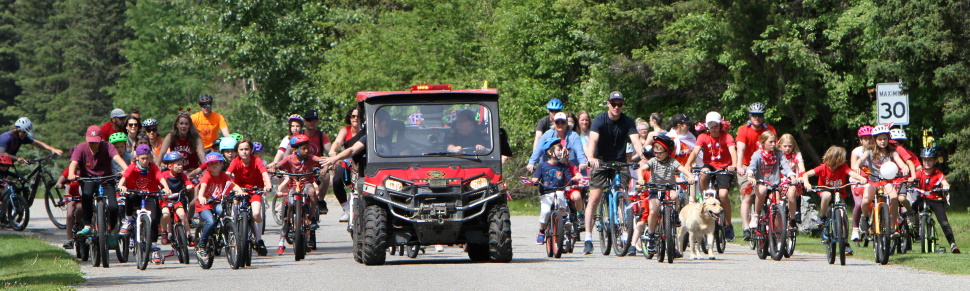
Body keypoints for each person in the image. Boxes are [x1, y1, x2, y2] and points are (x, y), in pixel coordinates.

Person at [581, 91, 646, 254]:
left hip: (619, 161)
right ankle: (588, 238)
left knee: (621, 193)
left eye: (620, 104)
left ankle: (624, 233)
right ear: (608, 104)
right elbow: (593, 140)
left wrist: (643, 156)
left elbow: (636, 141)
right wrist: (590, 157)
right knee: (595, 197)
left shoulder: (628, 121)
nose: (617, 107)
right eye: (614, 104)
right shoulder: (600, 120)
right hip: (600, 160)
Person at [800, 145, 867, 256]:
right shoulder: (822, 168)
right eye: (834, 163)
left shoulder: (844, 167)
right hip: (825, 191)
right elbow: (806, 174)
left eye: (837, 164)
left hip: (838, 193)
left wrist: (861, 178)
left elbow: (852, 173)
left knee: (842, 216)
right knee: (826, 196)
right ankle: (823, 218)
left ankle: (845, 244)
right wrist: (807, 183)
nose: (835, 166)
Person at [634, 135, 694, 254]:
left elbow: (682, 169)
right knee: (653, 210)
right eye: (655, 151)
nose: (657, 154)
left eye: (660, 152)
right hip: (655, 188)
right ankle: (651, 237)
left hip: (668, 187)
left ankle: (675, 215)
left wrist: (690, 176)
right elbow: (641, 169)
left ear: (668, 152)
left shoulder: (673, 162)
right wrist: (641, 178)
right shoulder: (653, 161)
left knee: (675, 196)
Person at [685, 111, 738, 241]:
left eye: (716, 125)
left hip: (724, 167)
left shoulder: (727, 137)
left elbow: (733, 151)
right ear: (707, 126)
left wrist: (734, 165)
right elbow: (696, 151)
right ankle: (705, 197)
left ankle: (728, 225)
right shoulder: (703, 136)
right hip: (709, 164)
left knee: (723, 195)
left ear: (720, 125)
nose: (713, 128)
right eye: (711, 126)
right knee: (703, 173)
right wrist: (687, 164)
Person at [68, 126, 129, 237]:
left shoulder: (107, 146)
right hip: (88, 179)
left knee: (114, 206)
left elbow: (116, 157)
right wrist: (71, 173)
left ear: (100, 139)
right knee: (87, 196)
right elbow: (74, 162)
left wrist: (126, 169)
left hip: (107, 179)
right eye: (90, 142)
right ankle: (87, 225)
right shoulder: (81, 148)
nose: (93, 145)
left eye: (95, 142)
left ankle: (111, 230)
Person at [118, 144, 173, 264]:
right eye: (142, 158)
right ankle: (128, 220)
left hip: (150, 195)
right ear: (137, 157)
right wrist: (121, 185)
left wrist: (166, 187)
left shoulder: (153, 167)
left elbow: (160, 177)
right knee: (129, 196)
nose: (145, 161)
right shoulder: (132, 167)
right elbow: (125, 176)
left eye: (147, 158)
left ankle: (153, 246)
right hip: (136, 194)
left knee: (153, 219)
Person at [272, 134, 325, 255]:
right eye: (304, 148)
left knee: (312, 192)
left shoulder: (311, 158)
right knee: (288, 202)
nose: (307, 150)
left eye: (308, 148)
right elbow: (278, 165)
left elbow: (322, 160)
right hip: (293, 186)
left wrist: (325, 167)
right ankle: (288, 220)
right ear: (295, 149)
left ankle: (311, 218)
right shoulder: (289, 159)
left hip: (306, 184)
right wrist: (273, 168)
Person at [735, 103, 776, 240]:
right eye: (754, 115)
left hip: (766, 165)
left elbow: (774, 147)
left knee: (772, 195)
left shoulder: (769, 130)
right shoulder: (743, 130)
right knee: (748, 196)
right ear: (750, 116)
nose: (757, 118)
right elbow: (740, 149)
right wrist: (739, 166)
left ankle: (773, 226)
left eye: (760, 115)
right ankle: (746, 228)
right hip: (747, 166)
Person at [860, 124, 908, 236]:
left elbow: (899, 161)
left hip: (886, 181)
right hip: (873, 181)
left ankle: (891, 227)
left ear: (888, 139)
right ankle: (865, 218)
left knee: (895, 197)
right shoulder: (869, 152)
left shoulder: (892, 152)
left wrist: (904, 167)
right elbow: (860, 160)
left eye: (885, 139)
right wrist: (858, 166)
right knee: (866, 201)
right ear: (875, 140)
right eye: (880, 139)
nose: (882, 141)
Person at [226, 139, 272, 255]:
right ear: (237, 151)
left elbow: (264, 173)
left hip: (255, 190)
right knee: (234, 207)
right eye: (241, 149)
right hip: (240, 190)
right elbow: (227, 174)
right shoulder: (236, 161)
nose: (244, 152)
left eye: (246, 149)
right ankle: (234, 230)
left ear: (251, 150)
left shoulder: (256, 160)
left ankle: (259, 239)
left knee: (256, 213)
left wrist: (268, 184)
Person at [195, 152, 245, 258]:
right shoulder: (207, 175)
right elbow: (203, 186)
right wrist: (201, 197)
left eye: (216, 163)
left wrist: (240, 191)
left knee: (224, 213)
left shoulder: (224, 176)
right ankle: (202, 244)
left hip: (216, 202)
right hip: (204, 204)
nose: (214, 165)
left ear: (221, 164)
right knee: (210, 221)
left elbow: (232, 185)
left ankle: (224, 232)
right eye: (211, 163)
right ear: (207, 166)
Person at [745, 131, 795, 231]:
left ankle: (777, 234)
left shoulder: (778, 154)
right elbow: (751, 167)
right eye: (770, 142)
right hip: (761, 183)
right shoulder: (757, 155)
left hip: (774, 185)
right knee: (762, 190)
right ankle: (755, 215)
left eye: (774, 141)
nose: (773, 144)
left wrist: (792, 177)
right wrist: (750, 176)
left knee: (777, 204)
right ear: (763, 143)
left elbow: (786, 167)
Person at [911, 148, 959, 254]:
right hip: (922, 198)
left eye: (930, 160)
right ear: (922, 161)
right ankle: (910, 233)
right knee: (909, 212)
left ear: (934, 161)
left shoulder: (938, 173)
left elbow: (944, 182)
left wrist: (946, 186)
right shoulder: (919, 172)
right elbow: (913, 180)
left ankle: (953, 244)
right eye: (925, 160)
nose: (927, 162)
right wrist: (911, 184)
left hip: (935, 199)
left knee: (944, 222)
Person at [532, 138, 578, 244]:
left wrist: (573, 179)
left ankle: (564, 217)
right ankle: (541, 231)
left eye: (560, 150)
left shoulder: (563, 166)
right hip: (546, 193)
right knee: (546, 211)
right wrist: (535, 180)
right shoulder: (543, 165)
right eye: (558, 150)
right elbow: (536, 177)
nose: (560, 152)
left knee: (560, 195)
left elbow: (568, 176)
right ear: (549, 152)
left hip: (558, 191)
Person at [328, 107, 360, 222]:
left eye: (357, 116)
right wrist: (333, 152)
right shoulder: (345, 130)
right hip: (346, 163)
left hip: (361, 163)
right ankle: (346, 208)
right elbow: (337, 142)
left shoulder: (365, 130)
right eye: (353, 116)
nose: (355, 118)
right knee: (336, 180)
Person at [158, 152, 194, 249]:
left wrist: (189, 186)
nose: (180, 166)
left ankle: (188, 235)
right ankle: (164, 232)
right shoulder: (164, 175)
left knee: (182, 215)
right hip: (166, 200)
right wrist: (162, 189)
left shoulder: (182, 175)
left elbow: (188, 182)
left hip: (177, 199)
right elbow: (159, 184)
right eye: (178, 164)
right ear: (170, 166)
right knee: (166, 214)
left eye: (181, 164)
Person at [302, 109, 333, 215]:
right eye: (309, 120)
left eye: (315, 120)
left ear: (317, 122)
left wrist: (327, 165)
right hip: (301, 167)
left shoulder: (321, 136)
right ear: (305, 121)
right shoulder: (299, 135)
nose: (312, 122)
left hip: (317, 168)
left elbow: (330, 152)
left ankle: (320, 201)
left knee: (326, 176)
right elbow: (288, 152)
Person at [156, 113, 206, 178]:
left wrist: (205, 170)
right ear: (177, 124)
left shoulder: (196, 138)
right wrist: (156, 170)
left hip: (192, 171)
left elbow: (201, 154)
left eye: (186, 124)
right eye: (181, 123)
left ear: (189, 125)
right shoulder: (171, 136)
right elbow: (162, 153)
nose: (183, 126)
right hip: (175, 172)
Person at [55, 146, 82, 249]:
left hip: (83, 196)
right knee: (70, 215)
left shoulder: (87, 170)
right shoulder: (68, 170)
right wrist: (59, 184)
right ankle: (69, 239)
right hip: (71, 195)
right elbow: (61, 180)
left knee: (82, 208)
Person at [849, 125, 873, 241]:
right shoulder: (856, 151)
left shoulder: (877, 151)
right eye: (865, 138)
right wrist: (860, 176)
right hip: (858, 180)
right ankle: (855, 229)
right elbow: (854, 167)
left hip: (873, 180)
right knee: (859, 204)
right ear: (861, 140)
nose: (868, 141)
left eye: (870, 138)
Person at [777, 133, 806, 226]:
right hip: (779, 180)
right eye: (785, 146)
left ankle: (793, 217)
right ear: (780, 145)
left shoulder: (797, 154)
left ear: (793, 145)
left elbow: (801, 168)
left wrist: (801, 176)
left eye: (790, 146)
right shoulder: (777, 154)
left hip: (793, 181)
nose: (787, 148)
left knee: (792, 192)